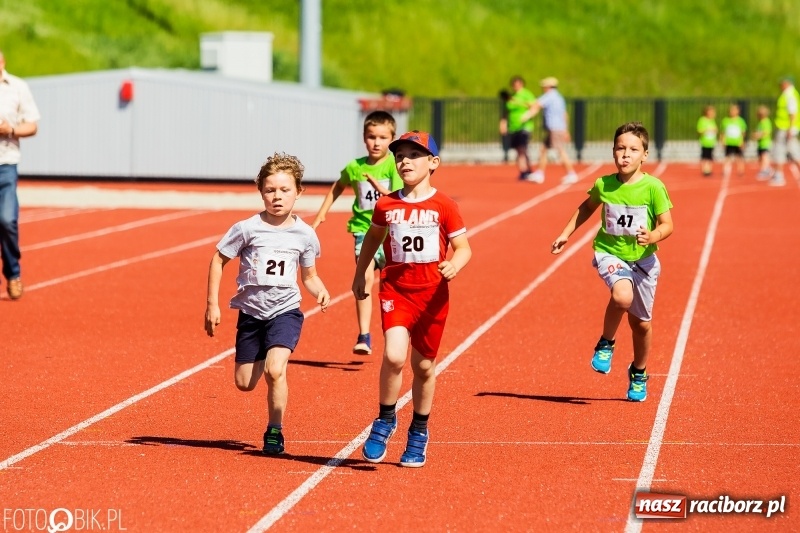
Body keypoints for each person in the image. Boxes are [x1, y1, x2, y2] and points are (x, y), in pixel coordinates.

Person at [353, 130, 472, 467]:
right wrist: (361, 273)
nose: (405, 161)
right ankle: (384, 420)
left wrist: (454, 264)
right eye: (400, 155)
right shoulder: (386, 204)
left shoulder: (444, 205)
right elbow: (373, 239)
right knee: (393, 356)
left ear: (433, 162)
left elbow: (464, 248)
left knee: (423, 367)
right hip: (396, 290)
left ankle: (419, 431)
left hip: (432, 296)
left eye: (414, 155)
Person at [205, 152, 331, 455]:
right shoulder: (247, 228)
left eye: (285, 190)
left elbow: (309, 275)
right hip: (251, 313)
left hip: (285, 311)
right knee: (245, 383)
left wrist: (320, 290)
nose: (277, 196)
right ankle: (260, 355)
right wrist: (213, 304)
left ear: (298, 193)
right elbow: (218, 260)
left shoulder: (305, 235)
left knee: (276, 370)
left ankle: (275, 429)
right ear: (260, 190)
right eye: (270, 190)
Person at [551, 122, 673, 402]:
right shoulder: (604, 184)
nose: (625, 155)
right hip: (609, 252)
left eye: (633, 149)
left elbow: (668, 225)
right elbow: (586, 207)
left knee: (641, 325)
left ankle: (639, 372)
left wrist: (654, 234)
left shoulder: (654, 187)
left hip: (644, 260)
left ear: (645, 155)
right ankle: (606, 342)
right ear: (613, 152)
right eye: (620, 148)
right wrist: (565, 234)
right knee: (621, 297)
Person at [311, 110, 403, 355]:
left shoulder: (395, 166)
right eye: (372, 136)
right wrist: (322, 212)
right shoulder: (355, 167)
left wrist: (381, 189)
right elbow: (338, 186)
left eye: (383, 138)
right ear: (364, 137)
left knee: (393, 284)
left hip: (392, 233)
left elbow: (398, 198)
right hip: (364, 231)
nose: (376, 142)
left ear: (392, 140)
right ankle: (364, 335)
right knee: (365, 278)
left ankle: (395, 329)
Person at [0, 49, 40, 300]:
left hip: (6, 163)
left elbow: (32, 125)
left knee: (6, 221)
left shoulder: (17, 87)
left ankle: (13, 272)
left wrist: (10, 129)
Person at [523, 77, 578, 185]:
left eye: (543, 86)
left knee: (560, 151)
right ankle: (540, 173)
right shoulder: (559, 97)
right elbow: (564, 114)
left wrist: (527, 107)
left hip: (555, 128)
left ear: (548, 87)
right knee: (543, 149)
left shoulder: (550, 96)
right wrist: (566, 129)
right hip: (557, 128)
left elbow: (536, 104)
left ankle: (571, 173)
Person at [498, 76, 536, 181]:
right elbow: (506, 112)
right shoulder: (511, 97)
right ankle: (525, 170)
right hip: (513, 127)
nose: (516, 86)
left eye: (518, 84)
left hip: (524, 127)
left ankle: (526, 170)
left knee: (522, 148)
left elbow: (534, 107)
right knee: (518, 150)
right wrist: (503, 124)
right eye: (514, 85)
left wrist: (527, 115)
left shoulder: (526, 94)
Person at [770, 76, 800, 187]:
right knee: (794, 152)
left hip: (785, 128)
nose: (780, 86)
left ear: (787, 83)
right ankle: (778, 175)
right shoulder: (790, 94)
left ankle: (778, 176)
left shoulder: (789, 95)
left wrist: (790, 129)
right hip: (787, 128)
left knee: (780, 151)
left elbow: (792, 113)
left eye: (782, 84)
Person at [719, 103, 747, 178]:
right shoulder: (725, 120)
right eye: (731, 110)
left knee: (739, 157)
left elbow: (743, 132)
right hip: (729, 142)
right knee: (727, 157)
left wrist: (742, 141)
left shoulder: (741, 121)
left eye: (735, 110)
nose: (733, 112)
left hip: (737, 142)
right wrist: (722, 141)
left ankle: (740, 171)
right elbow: (723, 132)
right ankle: (725, 170)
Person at [752, 105, 773, 180]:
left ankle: (764, 170)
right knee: (761, 157)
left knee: (764, 156)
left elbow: (766, 132)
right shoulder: (760, 122)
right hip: (761, 143)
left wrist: (758, 135)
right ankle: (767, 169)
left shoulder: (766, 122)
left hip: (765, 143)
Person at [697, 105, 718, 177]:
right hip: (705, 142)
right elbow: (699, 130)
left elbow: (715, 129)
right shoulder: (702, 120)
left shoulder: (712, 120)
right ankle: (705, 170)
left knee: (710, 157)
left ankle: (709, 169)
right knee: (705, 156)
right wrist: (707, 130)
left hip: (711, 142)